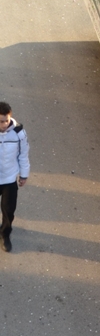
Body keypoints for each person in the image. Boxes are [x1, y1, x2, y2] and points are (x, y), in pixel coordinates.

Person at [0, 102, 29, 253]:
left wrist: (24, 175)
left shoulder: (19, 133)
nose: (4, 124)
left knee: (8, 211)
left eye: (6, 120)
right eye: (1, 121)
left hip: (9, 179)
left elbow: (23, 155)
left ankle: (5, 234)